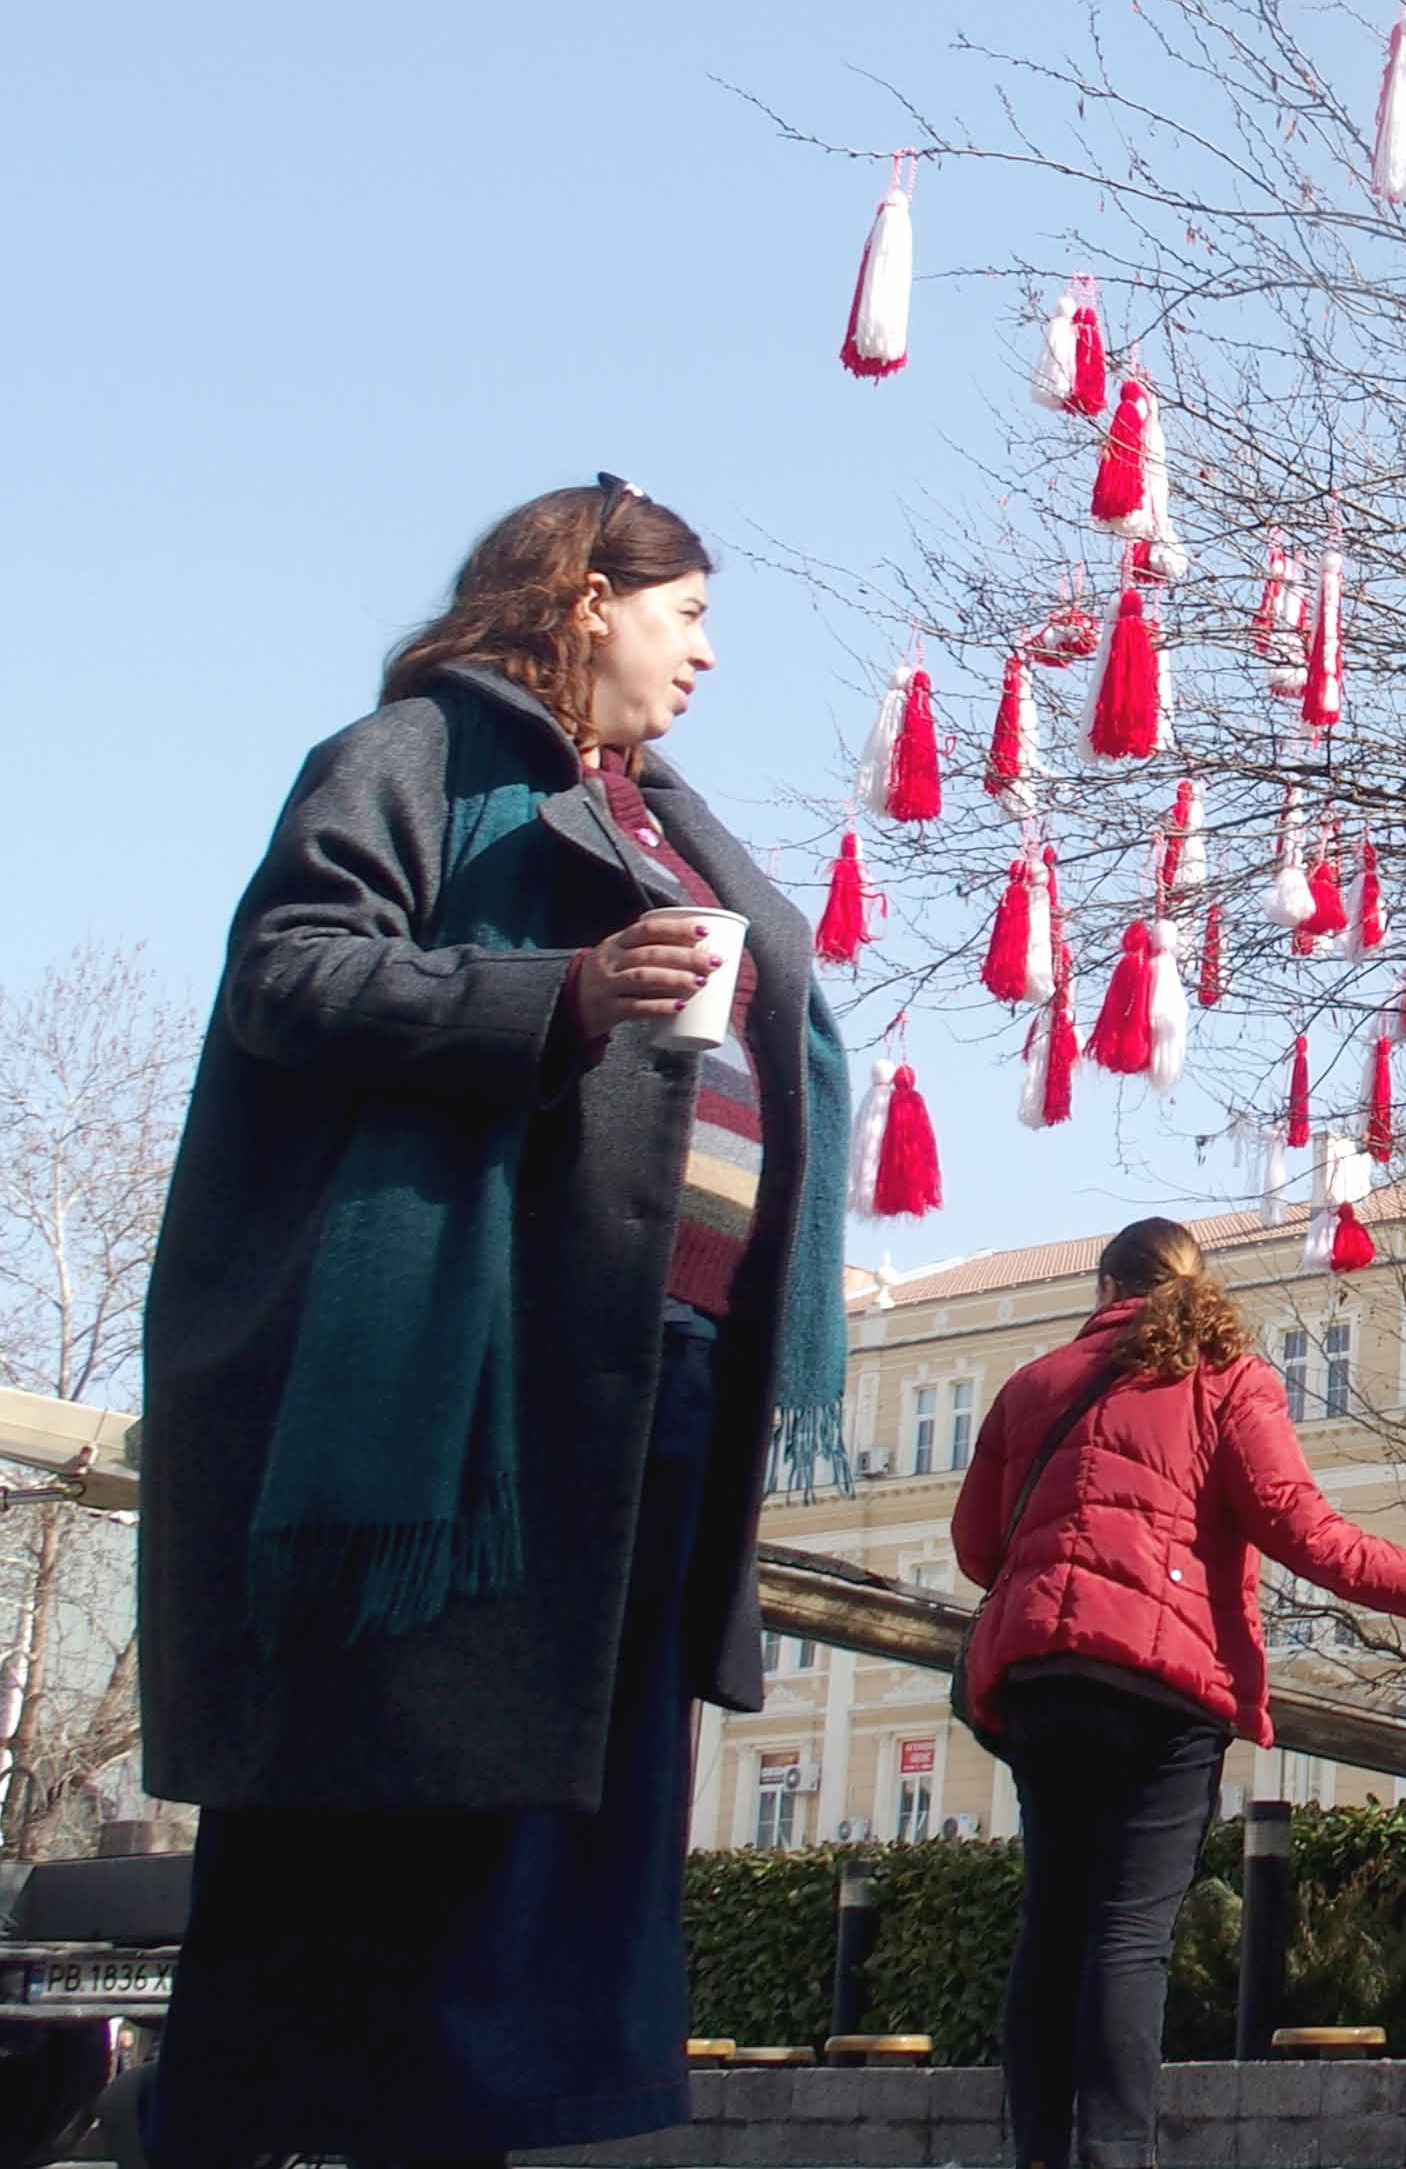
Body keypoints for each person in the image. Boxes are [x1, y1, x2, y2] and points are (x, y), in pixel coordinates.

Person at [137, 479, 852, 2165]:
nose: (709, 656)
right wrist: (562, 991)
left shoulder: (670, 815)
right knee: (401, 1801)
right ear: (591, 598)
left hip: (653, 1376)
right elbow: (293, 973)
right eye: (689, 615)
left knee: (553, 1826)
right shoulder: (410, 761)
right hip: (482, 1376)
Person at [954, 1218, 1406, 2169]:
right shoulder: (1226, 1379)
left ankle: (1036, 2153)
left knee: (1052, 1924)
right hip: (1163, 1685)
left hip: (1042, 1678)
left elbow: (974, 1549)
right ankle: (1116, 2155)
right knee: (1128, 1935)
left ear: (1104, 1287)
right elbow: (1298, 1526)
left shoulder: (1030, 1386)